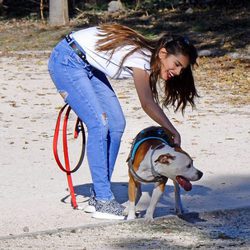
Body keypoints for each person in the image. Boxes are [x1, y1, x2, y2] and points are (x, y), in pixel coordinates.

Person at [48, 23, 199, 220]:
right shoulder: (143, 58)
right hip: (67, 60)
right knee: (98, 123)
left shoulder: (149, 59)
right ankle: (103, 200)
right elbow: (147, 103)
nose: (178, 72)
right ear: (162, 54)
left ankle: (99, 195)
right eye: (177, 64)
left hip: (87, 65)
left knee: (116, 123)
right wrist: (172, 131)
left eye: (182, 69)